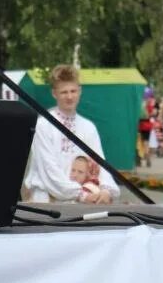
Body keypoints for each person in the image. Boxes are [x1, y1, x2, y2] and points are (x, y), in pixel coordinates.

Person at [22, 65, 119, 204]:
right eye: (64, 92)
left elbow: (99, 162)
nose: (69, 96)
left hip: (81, 202)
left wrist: (106, 190)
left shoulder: (88, 127)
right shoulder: (44, 125)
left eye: (73, 91)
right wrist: (81, 194)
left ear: (80, 91)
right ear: (54, 93)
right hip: (47, 201)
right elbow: (48, 169)